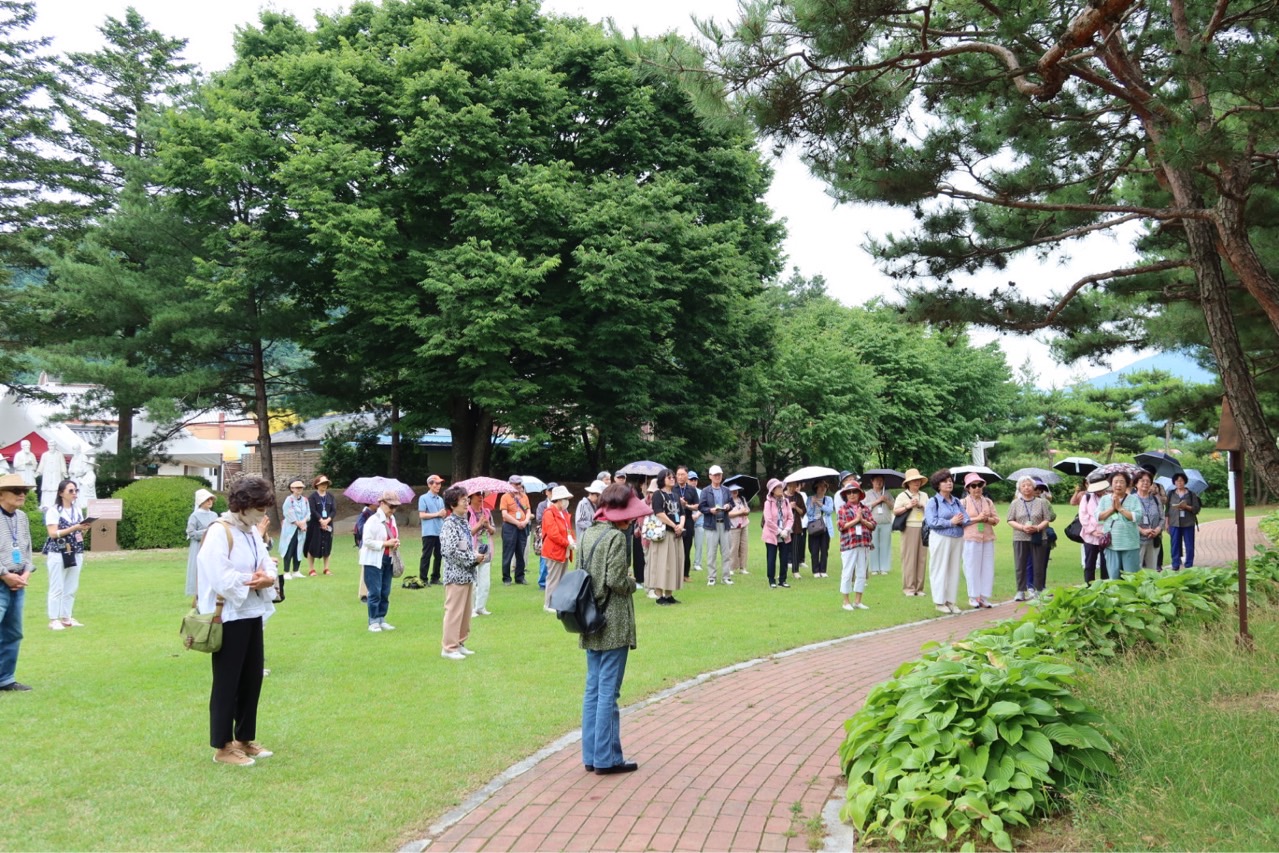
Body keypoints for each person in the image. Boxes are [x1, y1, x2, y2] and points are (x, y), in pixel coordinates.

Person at [196, 475, 278, 765]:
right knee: (227, 681)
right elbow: (218, 574)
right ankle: (222, 746)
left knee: (252, 678)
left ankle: (244, 738)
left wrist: (268, 578)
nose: (262, 515)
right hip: (228, 615)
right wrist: (252, 580)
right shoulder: (219, 531)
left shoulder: (251, 531)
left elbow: (266, 562)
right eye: (259, 508)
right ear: (243, 505)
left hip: (252, 612)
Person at [577, 483, 645, 774]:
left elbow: (581, 575)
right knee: (608, 692)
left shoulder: (588, 533)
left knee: (593, 690)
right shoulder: (616, 537)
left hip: (589, 618)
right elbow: (616, 581)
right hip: (613, 621)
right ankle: (607, 759)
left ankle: (592, 756)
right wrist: (632, 583)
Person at [441, 485, 486, 660]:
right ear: (453, 504)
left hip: (467, 574)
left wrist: (475, 555)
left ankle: (459, 643)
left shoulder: (464, 522)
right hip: (455, 576)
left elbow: (464, 547)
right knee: (454, 612)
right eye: (463, 500)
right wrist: (472, 558)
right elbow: (450, 551)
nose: (467, 503)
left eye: (467, 499)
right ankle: (449, 648)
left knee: (465, 613)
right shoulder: (449, 524)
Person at [0, 474, 35, 691]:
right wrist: (5, 574)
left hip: (18, 582)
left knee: (13, 633)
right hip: (2, 580)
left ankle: (5, 679)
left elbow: (27, 550)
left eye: (25, 491)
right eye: (16, 490)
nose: (22, 494)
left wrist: (26, 573)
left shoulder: (22, 517)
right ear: (1, 495)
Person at [43, 479, 90, 630]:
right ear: (61, 493)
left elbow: (80, 533)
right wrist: (74, 527)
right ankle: (53, 619)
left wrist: (83, 528)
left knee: (71, 586)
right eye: (71, 491)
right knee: (57, 586)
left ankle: (66, 617)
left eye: (76, 490)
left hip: (75, 550)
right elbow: (53, 533)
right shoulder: (54, 511)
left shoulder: (77, 510)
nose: (74, 493)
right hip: (58, 551)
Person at [924, 469, 968, 614]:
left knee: (954, 570)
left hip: (957, 537)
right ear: (938, 485)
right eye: (945, 481)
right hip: (940, 537)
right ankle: (939, 602)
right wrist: (951, 522)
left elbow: (965, 517)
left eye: (950, 481)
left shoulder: (956, 501)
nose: (949, 483)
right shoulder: (933, 501)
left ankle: (951, 601)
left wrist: (963, 520)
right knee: (939, 569)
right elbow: (931, 521)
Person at [357, 491, 402, 632]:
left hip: (389, 558)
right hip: (373, 560)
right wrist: (385, 544)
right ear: (382, 503)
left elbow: (393, 535)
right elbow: (367, 541)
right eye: (391, 506)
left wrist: (395, 542)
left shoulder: (392, 519)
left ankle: (382, 618)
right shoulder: (373, 520)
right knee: (375, 591)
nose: (393, 509)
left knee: (385, 591)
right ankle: (373, 621)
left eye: (395, 507)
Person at [1008, 474, 1056, 598]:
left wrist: (1038, 527)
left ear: (1033, 487)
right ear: (1019, 488)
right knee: (1020, 565)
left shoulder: (1041, 502)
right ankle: (1020, 591)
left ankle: (1038, 590)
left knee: (1038, 564)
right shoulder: (1015, 503)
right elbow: (1010, 520)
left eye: (1029, 485)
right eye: (1023, 485)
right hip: (1020, 537)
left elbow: (1047, 518)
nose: (1026, 487)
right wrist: (1022, 527)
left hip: (1039, 536)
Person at [959, 473, 997, 608]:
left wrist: (987, 519)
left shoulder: (988, 502)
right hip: (971, 538)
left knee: (987, 567)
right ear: (968, 488)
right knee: (971, 567)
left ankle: (984, 597)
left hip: (987, 537)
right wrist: (977, 519)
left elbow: (996, 520)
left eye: (979, 485)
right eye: (973, 486)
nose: (977, 488)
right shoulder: (963, 502)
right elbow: (960, 521)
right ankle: (973, 596)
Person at [647, 469, 684, 605]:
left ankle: (669, 595)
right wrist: (674, 525)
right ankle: (659, 596)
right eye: (669, 477)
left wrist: (680, 526)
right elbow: (659, 513)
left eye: (673, 477)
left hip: (676, 534)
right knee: (661, 564)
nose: (673, 479)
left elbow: (682, 513)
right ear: (662, 479)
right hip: (663, 535)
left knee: (673, 564)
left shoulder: (675, 495)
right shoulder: (658, 494)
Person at [836, 481, 875, 611]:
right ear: (846, 495)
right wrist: (856, 520)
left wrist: (862, 520)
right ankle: (846, 601)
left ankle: (858, 601)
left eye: (854, 492)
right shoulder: (842, 509)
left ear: (859, 494)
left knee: (861, 573)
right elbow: (841, 526)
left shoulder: (865, 509)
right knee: (847, 573)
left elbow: (873, 525)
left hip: (864, 543)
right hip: (849, 544)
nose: (852, 494)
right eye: (849, 492)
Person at [893, 469, 929, 596]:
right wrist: (908, 506)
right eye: (914, 480)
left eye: (918, 480)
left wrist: (921, 505)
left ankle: (919, 588)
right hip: (909, 527)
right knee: (909, 558)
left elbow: (930, 510)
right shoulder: (902, 496)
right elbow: (895, 511)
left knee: (922, 558)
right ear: (908, 483)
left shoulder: (924, 495)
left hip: (923, 527)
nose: (916, 482)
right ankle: (909, 588)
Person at [1098, 472, 1141, 578]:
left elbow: (1137, 517)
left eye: (1122, 482)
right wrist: (1112, 509)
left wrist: (1120, 508)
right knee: (1114, 577)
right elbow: (1098, 517)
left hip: (1130, 544)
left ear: (1127, 484)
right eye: (1116, 482)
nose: (1118, 485)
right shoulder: (1104, 499)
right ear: (1111, 484)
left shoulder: (1134, 499)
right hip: (1112, 544)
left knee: (1131, 577)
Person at [541, 485, 576, 612]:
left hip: (563, 550)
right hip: (554, 551)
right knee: (553, 578)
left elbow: (568, 530)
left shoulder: (563, 513)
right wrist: (567, 543)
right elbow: (553, 534)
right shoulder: (549, 513)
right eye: (565, 499)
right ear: (559, 500)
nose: (567, 501)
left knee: (562, 578)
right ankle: (548, 604)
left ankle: (558, 603)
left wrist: (572, 541)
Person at [698, 465, 733, 585]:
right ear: (710, 476)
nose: (718, 477)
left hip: (725, 524)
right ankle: (711, 577)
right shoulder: (705, 491)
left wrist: (728, 506)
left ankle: (726, 576)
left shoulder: (726, 490)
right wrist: (710, 510)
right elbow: (701, 507)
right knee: (711, 552)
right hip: (711, 525)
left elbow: (731, 503)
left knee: (726, 552)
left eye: (719, 475)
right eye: (715, 475)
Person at [1072, 479, 1110, 584]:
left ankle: (1105, 586)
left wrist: (1106, 530)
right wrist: (1092, 531)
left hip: (1105, 535)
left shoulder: (1109, 497)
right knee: (1089, 563)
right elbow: (1083, 515)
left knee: (1106, 564)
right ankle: (1089, 586)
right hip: (1090, 536)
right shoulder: (1087, 497)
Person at [467, 491, 497, 617]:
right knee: (473, 582)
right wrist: (479, 525)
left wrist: (488, 526)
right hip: (472, 550)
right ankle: (471, 609)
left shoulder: (487, 512)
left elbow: (493, 531)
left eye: (482, 495)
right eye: (477, 495)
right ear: (470, 497)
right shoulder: (467, 513)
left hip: (486, 549)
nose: (480, 497)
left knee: (485, 582)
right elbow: (466, 533)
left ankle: (480, 607)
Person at [186, 489, 220, 596]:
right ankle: (198, 594)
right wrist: (206, 532)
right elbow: (191, 533)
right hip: (199, 546)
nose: (210, 502)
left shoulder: (214, 515)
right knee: (198, 569)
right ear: (201, 501)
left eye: (211, 499)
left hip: (212, 546)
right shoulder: (194, 516)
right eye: (207, 499)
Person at [499, 475, 531, 585]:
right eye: (515, 484)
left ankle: (520, 577)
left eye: (519, 484)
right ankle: (506, 578)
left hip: (522, 526)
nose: (518, 486)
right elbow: (504, 514)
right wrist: (517, 523)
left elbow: (528, 510)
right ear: (510, 484)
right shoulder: (505, 497)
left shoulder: (524, 497)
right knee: (508, 552)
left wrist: (525, 521)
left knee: (521, 552)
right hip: (510, 527)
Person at [762, 478, 793, 588]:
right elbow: (768, 520)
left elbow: (790, 518)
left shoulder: (786, 501)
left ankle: (783, 580)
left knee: (784, 558)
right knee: (771, 558)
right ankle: (771, 580)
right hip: (772, 534)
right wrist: (779, 530)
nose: (781, 489)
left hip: (785, 534)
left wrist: (786, 529)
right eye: (778, 487)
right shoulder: (768, 503)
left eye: (781, 487)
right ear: (773, 490)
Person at [1166, 472, 1201, 571]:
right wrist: (1166, 523)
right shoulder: (1171, 494)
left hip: (1188, 523)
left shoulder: (1191, 494)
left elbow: (1196, 509)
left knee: (1189, 545)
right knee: (1175, 544)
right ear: (1174, 482)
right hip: (1174, 523)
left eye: (1181, 480)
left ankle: (1189, 564)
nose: (1179, 483)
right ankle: (1175, 564)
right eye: (1177, 481)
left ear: (1185, 482)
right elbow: (1167, 510)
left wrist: (1186, 507)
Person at [417, 474, 447, 586]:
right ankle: (423, 579)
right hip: (429, 532)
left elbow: (442, 514)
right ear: (429, 485)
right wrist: (437, 514)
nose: (438, 486)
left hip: (440, 531)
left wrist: (443, 514)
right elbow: (422, 515)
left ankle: (435, 577)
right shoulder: (423, 498)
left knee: (439, 555)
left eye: (440, 484)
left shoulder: (440, 499)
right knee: (426, 555)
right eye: (436, 483)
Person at [305, 474, 336, 576]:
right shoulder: (312, 497)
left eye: (326, 483)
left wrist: (327, 520)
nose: (324, 485)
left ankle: (326, 568)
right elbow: (312, 510)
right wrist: (321, 520)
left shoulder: (331, 496)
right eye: (322, 483)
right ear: (317, 485)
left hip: (328, 525)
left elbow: (333, 510)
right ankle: (311, 569)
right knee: (312, 546)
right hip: (315, 525)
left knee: (327, 546)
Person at [863, 475, 894, 575]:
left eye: (881, 480)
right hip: (872, 524)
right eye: (877, 480)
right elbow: (864, 507)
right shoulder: (867, 494)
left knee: (885, 545)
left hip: (886, 522)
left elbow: (893, 506)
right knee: (873, 545)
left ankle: (884, 567)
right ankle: (874, 568)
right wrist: (878, 501)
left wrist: (886, 500)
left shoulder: (887, 493)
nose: (879, 482)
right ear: (872, 481)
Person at [1134, 471, 1164, 570]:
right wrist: (1142, 530)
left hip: (1153, 539)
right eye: (1142, 480)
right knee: (1136, 570)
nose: (1145, 483)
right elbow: (1128, 521)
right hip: (1137, 540)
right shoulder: (1131, 500)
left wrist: (1158, 530)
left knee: (1152, 569)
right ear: (1136, 483)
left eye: (1148, 481)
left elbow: (1162, 518)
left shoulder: (1155, 499)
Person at [278, 480, 308, 580]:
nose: (299, 489)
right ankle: (286, 571)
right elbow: (288, 513)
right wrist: (298, 523)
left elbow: (308, 513)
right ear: (292, 489)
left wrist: (304, 521)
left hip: (302, 529)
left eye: (301, 487)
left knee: (298, 549)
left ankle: (296, 570)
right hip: (290, 529)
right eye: (297, 487)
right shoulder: (289, 500)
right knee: (289, 548)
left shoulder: (305, 500)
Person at [674, 467, 699, 581]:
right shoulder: (672, 488)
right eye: (678, 474)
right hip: (674, 521)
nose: (680, 477)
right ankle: (675, 574)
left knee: (686, 547)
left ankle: (685, 574)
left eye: (682, 474)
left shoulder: (692, 489)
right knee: (674, 548)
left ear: (687, 476)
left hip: (688, 520)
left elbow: (697, 506)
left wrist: (686, 505)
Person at [806, 480, 834, 578]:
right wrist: (812, 504)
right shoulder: (810, 498)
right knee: (814, 549)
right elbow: (808, 513)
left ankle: (823, 570)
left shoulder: (828, 499)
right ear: (816, 488)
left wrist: (820, 504)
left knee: (824, 549)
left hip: (825, 527)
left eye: (824, 486)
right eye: (820, 486)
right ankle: (815, 571)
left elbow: (830, 510)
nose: (823, 488)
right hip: (814, 527)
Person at [534, 482, 557, 590]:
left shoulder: (561, 505)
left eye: (555, 490)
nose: (552, 492)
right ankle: (542, 583)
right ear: (546, 492)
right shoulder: (542, 505)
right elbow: (539, 519)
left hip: (557, 535)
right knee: (544, 559)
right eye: (550, 490)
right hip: (545, 535)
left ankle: (555, 581)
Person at [726, 482, 751, 575]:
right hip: (733, 526)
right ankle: (731, 568)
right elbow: (728, 514)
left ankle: (743, 567)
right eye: (732, 490)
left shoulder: (742, 499)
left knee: (744, 546)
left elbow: (747, 510)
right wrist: (740, 512)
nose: (735, 492)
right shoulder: (727, 501)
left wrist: (746, 511)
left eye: (736, 490)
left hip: (744, 525)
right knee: (734, 547)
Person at [353, 501, 375, 602]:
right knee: (365, 571)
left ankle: (374, 592)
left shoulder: (378, 514)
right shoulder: (364, 515)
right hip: (365, 547)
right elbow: (361, 530)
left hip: (377, 545)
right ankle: (363, 595)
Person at [785, 482, 808, 579]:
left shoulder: (798, 496)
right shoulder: (782, 496)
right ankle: (783, 571)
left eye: (795, 486)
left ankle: (795, 571)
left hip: (796, 526)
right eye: (791, 486)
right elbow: (778, 511)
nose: (793, 488)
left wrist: (795, 507)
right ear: (787, 485)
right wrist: (788, 506)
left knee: (795, 549)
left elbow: (803, 511)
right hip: (784, 527)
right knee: (784, 550)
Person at [37, 441, 67, 510]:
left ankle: (57, 503)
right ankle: (45, 504)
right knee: (47, 489)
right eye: (50, 445)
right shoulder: (45, 455)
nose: (51, 447)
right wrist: (38, 471)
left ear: (55, 446)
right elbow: (41, 464)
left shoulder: (59, 454)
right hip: (47, 474)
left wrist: (64, 471)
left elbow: (62, 463)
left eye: (53, 445)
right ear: (48, 446)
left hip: (56, 474)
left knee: (56, 488)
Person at [688, 471, 705, 572]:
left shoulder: (701, 492)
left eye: (695, 479)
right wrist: (691, 516)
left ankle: (697, 563)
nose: (694, 481)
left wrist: (697, 515)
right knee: (687, 544)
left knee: (699, 545)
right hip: (687, 522)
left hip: (699, 522)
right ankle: (685, 563)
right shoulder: (684, 491)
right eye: (691, 479)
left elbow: (704, 506)